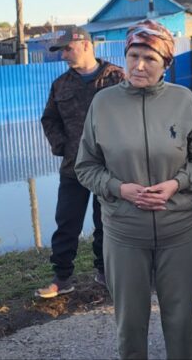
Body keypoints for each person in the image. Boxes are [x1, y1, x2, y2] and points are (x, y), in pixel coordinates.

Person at [75, 20, 192, 359]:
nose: (139, 65)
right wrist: (118, 188)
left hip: (179, 232)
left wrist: (177, 183)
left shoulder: (183, 101)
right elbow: (85, 167)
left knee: (181, 320)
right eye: (133, 55)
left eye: (150, 58)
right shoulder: (103, 104)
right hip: (124, 233)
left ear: (166, 64)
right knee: (129, 323)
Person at [36, 26, 124, 298]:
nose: (63, 55)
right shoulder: (61, 85)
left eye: (67, 49)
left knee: (106, 222)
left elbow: (136, 116)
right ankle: (62, 278)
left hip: (110, 168)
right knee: (66, 222)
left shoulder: (118, 78)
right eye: (61, 50)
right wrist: (62, 146)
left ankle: (106, 272)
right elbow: (49, 119)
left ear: (85, 45)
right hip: (74, 167)